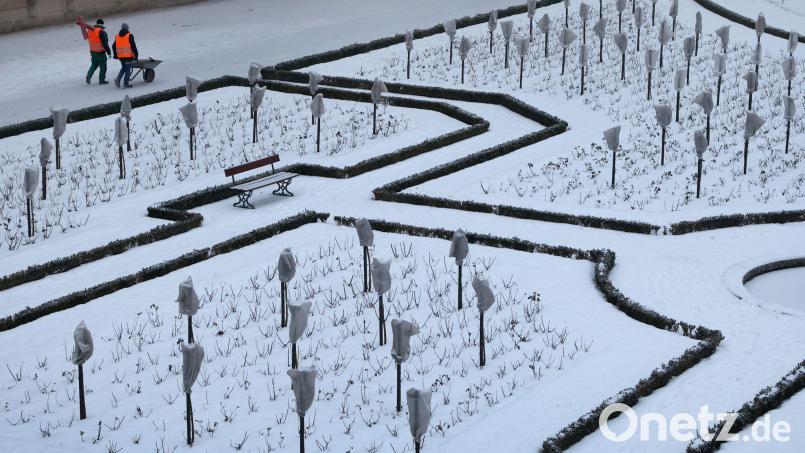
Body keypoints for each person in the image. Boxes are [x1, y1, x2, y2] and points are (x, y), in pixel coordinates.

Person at [84, 18, 111, 85]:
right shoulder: (101, 32)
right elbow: (105, 43)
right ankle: (101, 80)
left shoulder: (90, 31)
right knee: (103, 66)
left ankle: (89, 75)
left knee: (94, 65)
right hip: (101, 53)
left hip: (93, 52)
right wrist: (109, 52)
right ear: (102, 24)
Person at [113, 23, 138, 88]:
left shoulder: (117, 36)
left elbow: (113, 46)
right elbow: (133, 46)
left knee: (123, 68)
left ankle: (118, 79)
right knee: (127, 69)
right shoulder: (129, 35)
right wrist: (136, 55)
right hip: (128, 56)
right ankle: (126, 84)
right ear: (127, 28)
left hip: (120, 56)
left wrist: (115, 55)